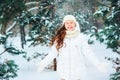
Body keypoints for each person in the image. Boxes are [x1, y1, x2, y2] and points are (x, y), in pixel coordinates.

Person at [36, 15, 106, 80]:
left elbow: (88, 53)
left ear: (75, 24)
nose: (69, 25)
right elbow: (52, 53)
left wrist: (98, 64)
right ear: (64, 25)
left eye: (71, 22)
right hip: (64, 75)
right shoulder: (60, 38)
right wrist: (43, 64)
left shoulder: (80, 37)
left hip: (78, 74)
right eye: (67, 23)